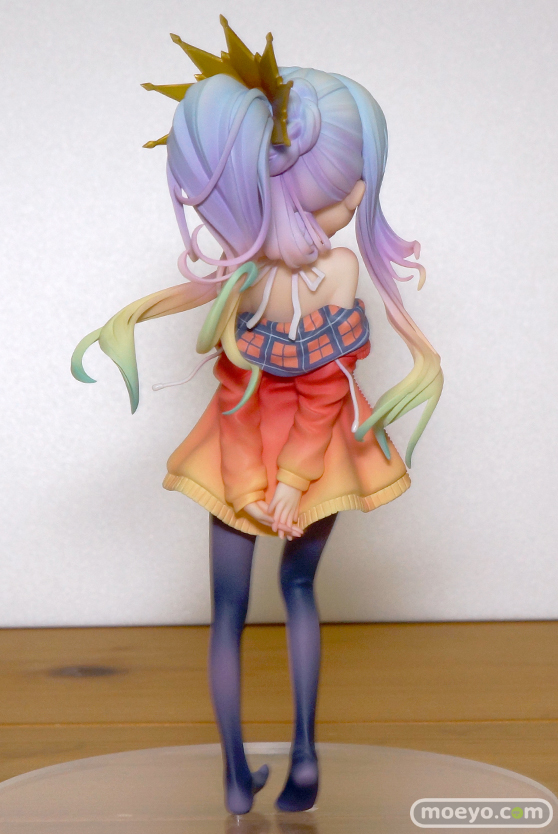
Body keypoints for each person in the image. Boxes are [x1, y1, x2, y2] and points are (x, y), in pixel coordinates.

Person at [72, 17, 443, 815]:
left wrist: (253, 484)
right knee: (298, 589)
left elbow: (243, 394)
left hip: (239, 449)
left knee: (229, 614)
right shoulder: (335, 272)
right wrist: (292, 483)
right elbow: (322, 393)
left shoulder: (241, 279)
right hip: (308, 452)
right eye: (347, 189)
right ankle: (301, 761)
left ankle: (239, 778)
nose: (358, 199)